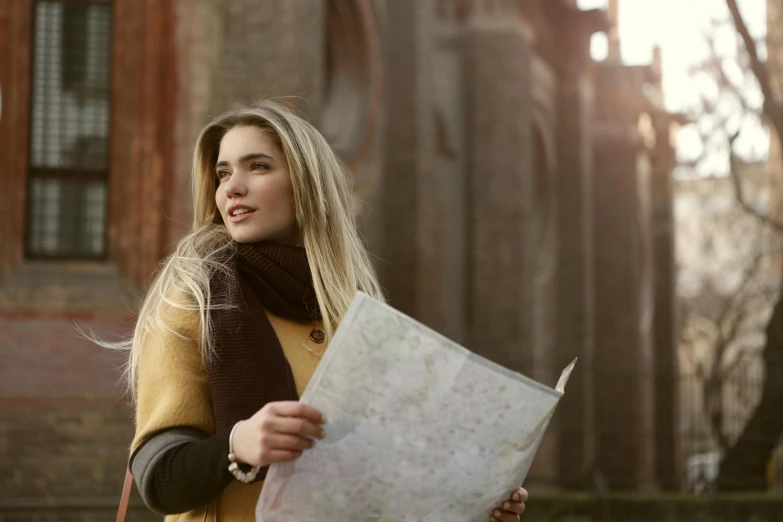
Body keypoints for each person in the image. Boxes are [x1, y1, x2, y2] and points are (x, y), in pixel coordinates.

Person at [121, 100, 529, 521]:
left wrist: (473, 502)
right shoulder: (194, 300)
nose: (231, 188)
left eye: (257, 166)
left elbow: (387, 480)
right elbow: (159, 479)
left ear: (307, 185)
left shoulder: (356, 317)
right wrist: (236, 444)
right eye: (223, 173)